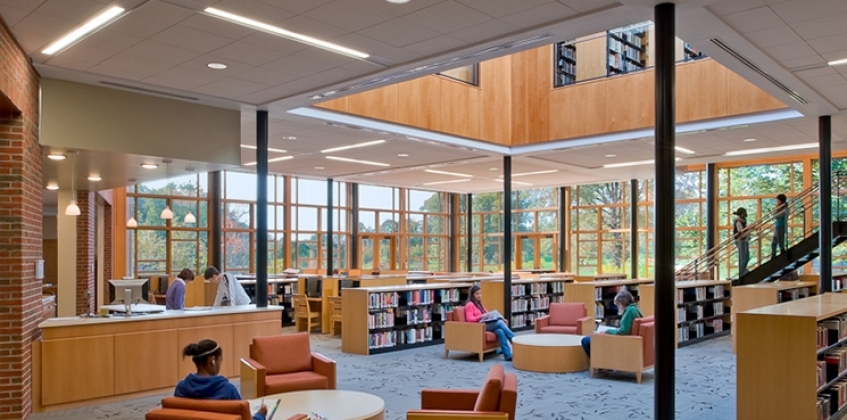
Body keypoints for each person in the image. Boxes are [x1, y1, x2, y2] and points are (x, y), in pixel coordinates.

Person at [175, 339, 267, 420]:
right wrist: (260, 415)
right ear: (212, 361)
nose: (220, 365)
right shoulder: (227, 390)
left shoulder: (181, 388)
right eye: (220, 361)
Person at [581, 288, 642, 357]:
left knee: (586, 340)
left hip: (621, 341)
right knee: (594, 335)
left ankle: (599, 361)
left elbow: (624, 331)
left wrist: (607, 332)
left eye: (618, 304)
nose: (618, 307)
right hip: (625, 339)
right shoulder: (635, 308)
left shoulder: (629, 311)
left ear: (622, 302)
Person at [464, 285, 515, 361]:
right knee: (500, 323)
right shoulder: (470, 305)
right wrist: (481, 316)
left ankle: (507, 355)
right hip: (479, 327)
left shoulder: (480, 304)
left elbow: (488, 314)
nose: (479, 295)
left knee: (500, 331)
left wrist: (495, 316)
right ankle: (514, 340)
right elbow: (469, 319)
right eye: (477, 294)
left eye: (480, 293)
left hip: (486, 324)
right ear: (472, 295)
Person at [733, 207, 750, 277]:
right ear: (741, 214)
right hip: (741, 241)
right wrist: (749, 229)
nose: (746, 214)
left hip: (744, 240)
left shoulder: (743, 221)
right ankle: (742, 273)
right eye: (744, 213)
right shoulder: (738, 222)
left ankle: (743, 271)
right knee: (743, 257)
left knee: (746, 256)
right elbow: (741, 233)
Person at [772, 193, 788, 257]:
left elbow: (777, 217)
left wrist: (777, 209)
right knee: (774, 243)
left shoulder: (785, 208)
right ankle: (773, 254)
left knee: (780, 241)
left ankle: (782, 253)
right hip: (777, 226)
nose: (777, 202)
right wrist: (777, 209)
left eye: (778, 200)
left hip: (781, 226)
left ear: (781, 201)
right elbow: (774, 216)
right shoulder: (779, 208)